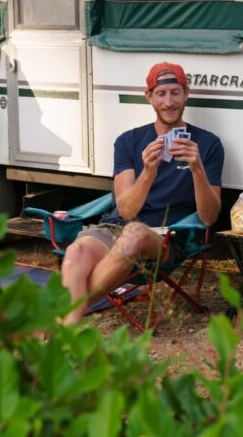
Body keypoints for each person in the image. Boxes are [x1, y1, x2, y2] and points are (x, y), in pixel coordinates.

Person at [60, 62, 224, 324]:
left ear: (186, 93)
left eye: (175, 92)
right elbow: (126, 211)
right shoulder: (129, 141)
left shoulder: (207, 144)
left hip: (165, 239)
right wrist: (148, 172)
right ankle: (64, 334)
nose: (169, 102)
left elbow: (208, 217)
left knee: (135, 234)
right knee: (75, 253)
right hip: (117, 228)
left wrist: (197, 169)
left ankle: (59, 324)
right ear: (149, 96)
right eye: (161, 94)